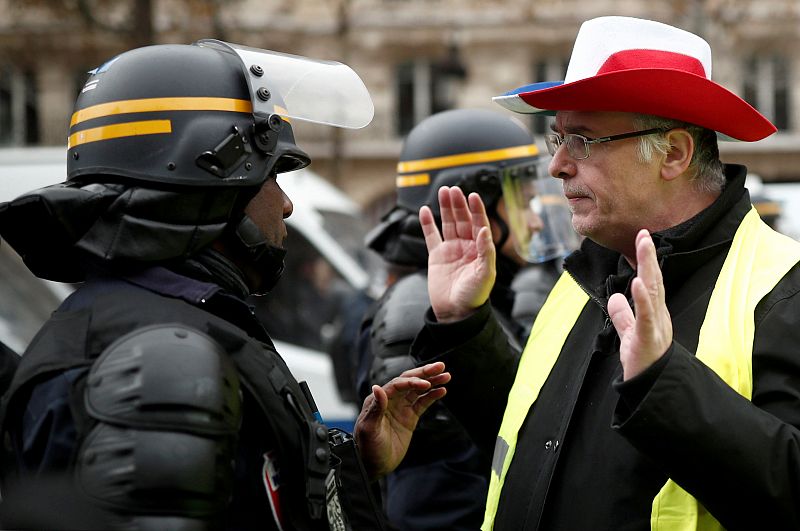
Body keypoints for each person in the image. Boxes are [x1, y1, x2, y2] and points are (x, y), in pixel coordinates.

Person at [0, 39, 449, 530]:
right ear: (214, 173)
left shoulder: (173, 321)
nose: (285, 204)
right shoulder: (152, 356)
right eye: (272, 175)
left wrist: (353, 465)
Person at [412, 16, 800, 530]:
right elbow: (540, 443)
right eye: (560, 140)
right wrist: (465, 326)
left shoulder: (782, 290)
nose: (558, 166)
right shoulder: (587, 276)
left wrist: (665, 384)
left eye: (586, 140)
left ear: (674, 153)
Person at [360, 108, 573, 530]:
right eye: (523, 201)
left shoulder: (476, 297)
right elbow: (445, 488)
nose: (534, 219)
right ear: (466, 199)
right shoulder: (417, 312)